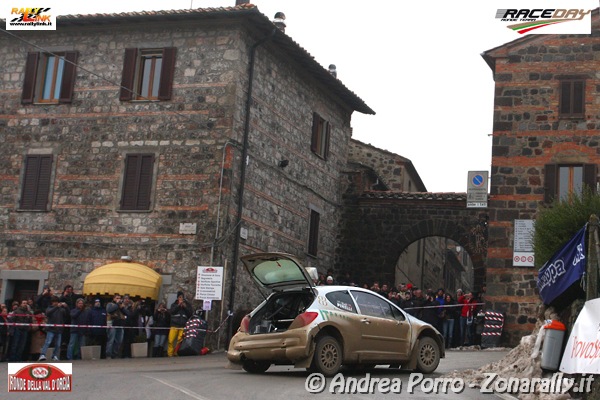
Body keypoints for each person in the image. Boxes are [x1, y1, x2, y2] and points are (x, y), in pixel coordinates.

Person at [39, 296, 69, 361]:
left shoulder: (61, 309)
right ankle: (42, 354)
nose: (55, 303)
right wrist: (56, 307)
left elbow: (67, 314)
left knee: (58, 344)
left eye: (56, 302)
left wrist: (66, 307)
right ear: (52, 302)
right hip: (51, 328)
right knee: (48, 342)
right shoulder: (49, 308)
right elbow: (48, 313)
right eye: (54, 302)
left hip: (59, 329)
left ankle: (54, 355)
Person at [168, 291, 192, 357]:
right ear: (177, 298)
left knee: (180, 340)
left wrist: (185, 307)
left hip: (182, 325)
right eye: (179, 297)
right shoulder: (174, 305)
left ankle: (176, 353)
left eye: (182, 297)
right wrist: (178, 305)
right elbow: (172, 312)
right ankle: (170, 354)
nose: (181, 298)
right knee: (171, 340)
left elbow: (190, 314)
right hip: (174, 325)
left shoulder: (187, 304)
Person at [106, 294, 129, 359]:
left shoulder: (121, 305)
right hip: (112, 324)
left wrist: (122, 308)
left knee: (119, 340)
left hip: (120, 324)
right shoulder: (110, 304)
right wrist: (117, 304)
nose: (118, 299)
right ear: (114, 299)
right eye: (117, 298)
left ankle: (115, 354)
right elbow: (109, 310)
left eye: (119, 298)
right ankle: (108, 354)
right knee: (111, 340)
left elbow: (127, 313)